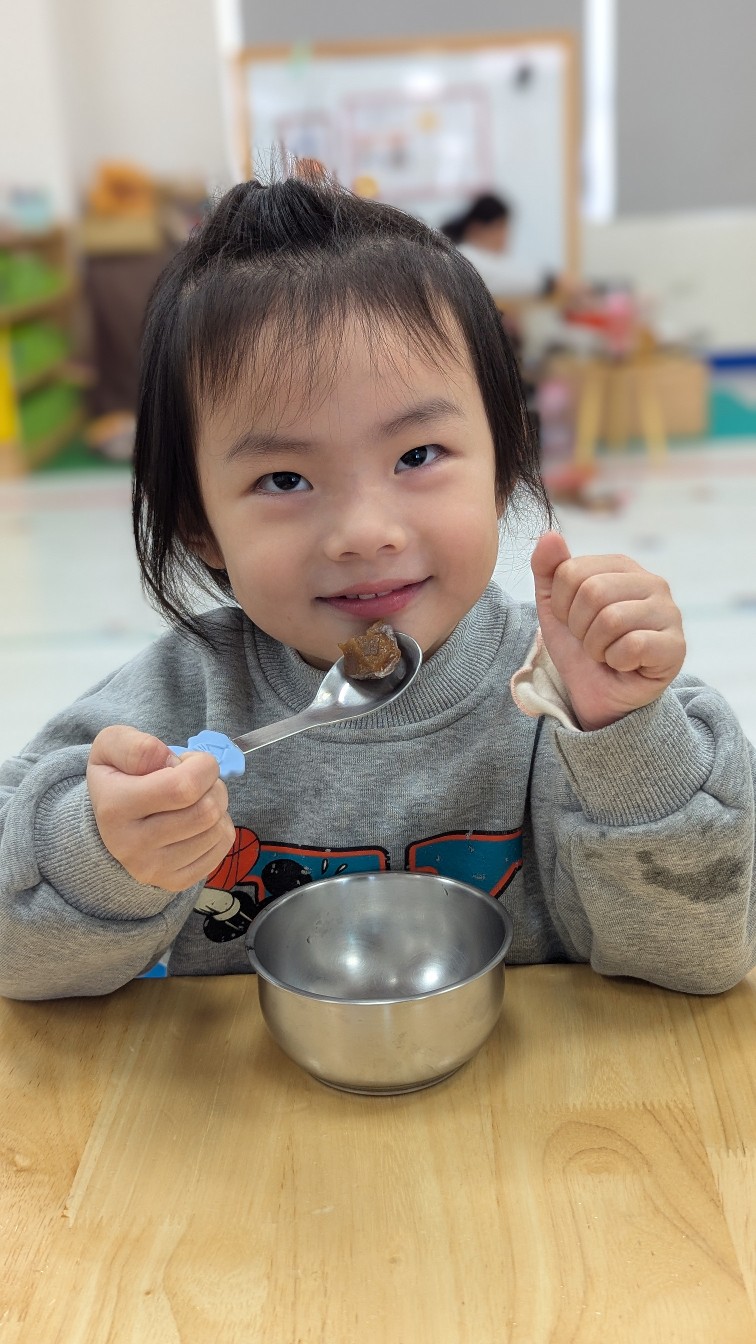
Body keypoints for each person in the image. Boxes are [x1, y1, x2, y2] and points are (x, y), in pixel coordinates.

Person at [0, 170, 754, 1000]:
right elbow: (16, 958)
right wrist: (102, 855)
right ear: (198, 522)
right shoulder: (176, 703)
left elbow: (704, 957)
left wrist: (625, 736)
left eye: (417, 456)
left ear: (502, 468)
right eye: (285, 479)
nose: (366, 532)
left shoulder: (573, 692)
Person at [441, 192, 547, 297]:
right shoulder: (464, 257)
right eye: (499, 227)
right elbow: (509, 279)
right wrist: (547, 281)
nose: (505, 236)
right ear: (476, 229)